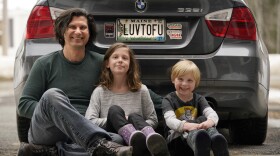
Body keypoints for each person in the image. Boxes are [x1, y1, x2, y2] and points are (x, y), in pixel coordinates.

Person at [17, 8, 133, 156]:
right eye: (72, 27)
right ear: (62, 31)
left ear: (89, 33)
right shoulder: (44, 64)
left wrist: (166, 100)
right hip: (51, 129)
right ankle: (95, 145)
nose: (78, 31)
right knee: (52, 95)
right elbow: (24, 104)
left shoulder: (101, 63)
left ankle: (51, 152)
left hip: (86, 129)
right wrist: (58, 114)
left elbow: (128, 86)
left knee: (117, 139)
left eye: (83, 27)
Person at [85, 42, 170, 156]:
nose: (120, 60)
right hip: (113, 139)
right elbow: (89, 121)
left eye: (125, 58)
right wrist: (121, 120)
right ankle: (129, 135)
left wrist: (133, 122)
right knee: (114, 110)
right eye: (115, 57)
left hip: (139, 138)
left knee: (134, 116)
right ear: (107, 64)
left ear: (130, 64)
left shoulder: (141, 90)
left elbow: (153, 120)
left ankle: (154, 144)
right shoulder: (100, 91)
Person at [162, 59, 229, 156]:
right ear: (173, 79)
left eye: (189, 80)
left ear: (195, 83)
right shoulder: (168, 99)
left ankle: (216, 139)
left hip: (198, 137)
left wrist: (210, 122)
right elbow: (170, 120)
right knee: (197, 127)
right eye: (180, 79)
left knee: (204, 119)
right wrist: (187, 126)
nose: (184, 84)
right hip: (177, 141)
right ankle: (200, 141)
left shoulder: (199, 99)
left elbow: (212, 113)